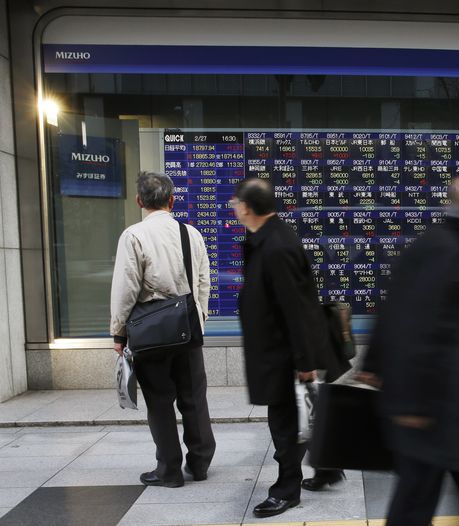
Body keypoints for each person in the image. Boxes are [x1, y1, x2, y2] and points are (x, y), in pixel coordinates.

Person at [364, 178, 459, 526]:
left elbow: (397, 309)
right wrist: (412, 404)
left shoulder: (453, 247)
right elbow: (411, 323)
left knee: (457, 485)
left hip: (448, 406)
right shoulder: (444, 251)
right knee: (415, 501)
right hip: (431, 411)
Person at [231, 177, 348, 518]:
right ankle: (327, 469)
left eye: (237, 202)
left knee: (285, 423)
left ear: (248, 207)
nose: (234, 207)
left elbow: (295, 309)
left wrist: (304, 361)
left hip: (284, 354)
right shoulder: (264, 238)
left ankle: (286, 491)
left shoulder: (276, 247)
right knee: (305, 413)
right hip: (277, 350)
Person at [110, 171, 216, 488]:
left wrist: (119, 332)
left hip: (152, 333)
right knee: (194, 398)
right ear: (172, 200)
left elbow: (125, 289)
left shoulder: (133, 236)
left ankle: (168, 470)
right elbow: (203, 283)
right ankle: (199, 464)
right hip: (187, 327)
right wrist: (199, 318)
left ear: (140, 201)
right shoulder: (191, 234)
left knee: (159, 400)